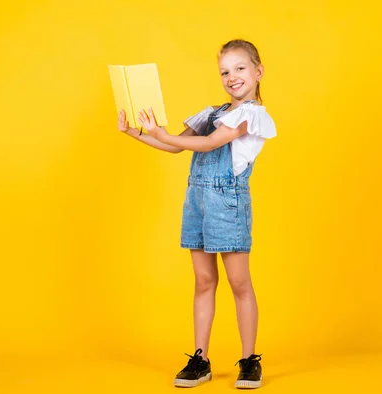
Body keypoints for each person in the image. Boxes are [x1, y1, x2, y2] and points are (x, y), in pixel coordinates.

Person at [117, 39, 276, 389]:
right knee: (204, 282)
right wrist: (137, 132)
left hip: (228, 204)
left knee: (239, 283)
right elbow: (174, 144)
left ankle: (249, 361)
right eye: (225, 71)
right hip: (198, 202)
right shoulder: (213, 113)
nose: (232, 76)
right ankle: (200, 359)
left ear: (257, 71)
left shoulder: (251, 115)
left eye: (240, 68)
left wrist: (162, 132)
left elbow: (208, 144)